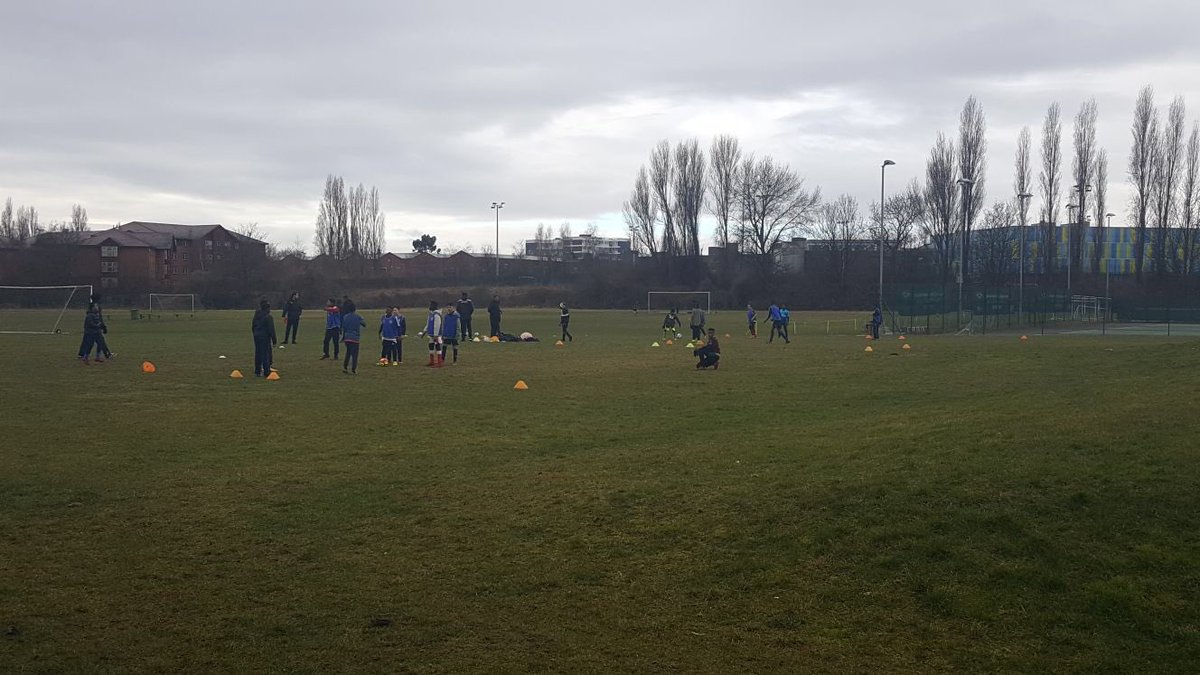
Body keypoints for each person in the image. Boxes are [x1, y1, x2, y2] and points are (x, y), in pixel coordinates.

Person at [251, 299, 276, 377]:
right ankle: (266, 372)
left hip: (256, 336)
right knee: (265, 354)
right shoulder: (268, 317)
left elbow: (253, 325)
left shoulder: (257, 315)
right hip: (264, 337)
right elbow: (271, 329)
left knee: (258, 353)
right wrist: (274, 340)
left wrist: (255, 333)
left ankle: (257, 371)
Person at [340, 301, 364, 374]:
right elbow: (364, 324)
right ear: (355, 309)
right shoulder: (357, 316)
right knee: (354, 355)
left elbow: (344, 327)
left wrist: (343, 337)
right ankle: (353, 369)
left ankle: (345, 367)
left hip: (347, 337)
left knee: (348, 353)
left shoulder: (345, 317)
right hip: (355, 338)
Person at [425, 301, 444, 367]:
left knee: (437, 346)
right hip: (431, 334)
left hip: (436, 335)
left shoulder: (436, 314)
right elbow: (428, 324)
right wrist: (424, 331)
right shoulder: (430, 314)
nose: (430, 306)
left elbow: (437, 325)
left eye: (431, 305)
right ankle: (432, 361)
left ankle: (439, 362)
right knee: (431, 346)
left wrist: (436, 335)